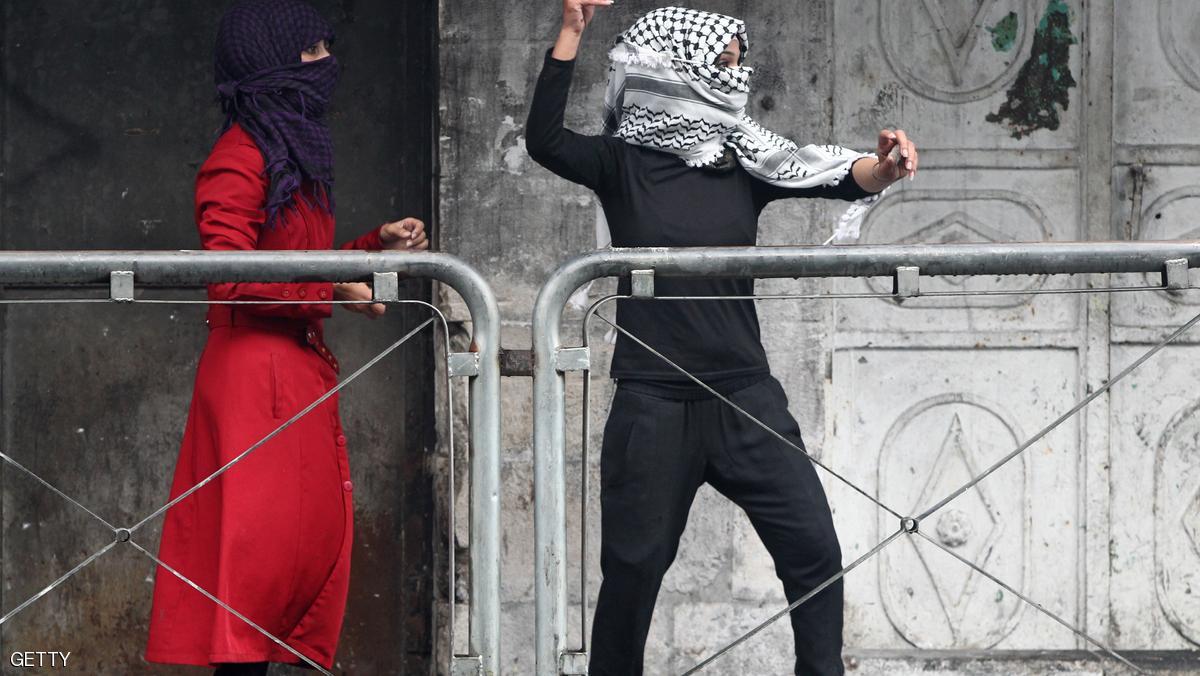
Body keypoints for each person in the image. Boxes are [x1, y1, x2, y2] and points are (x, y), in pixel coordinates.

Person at [526, 3, 918, 674]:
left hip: (744, 396)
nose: (738, 72)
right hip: (651, 404)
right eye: (727, 60)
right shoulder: (623, 163)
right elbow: (545, 142)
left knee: (814, 553)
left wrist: (882, 170)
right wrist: (570, 32)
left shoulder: (742, 159)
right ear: (681, 66)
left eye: (738, 59)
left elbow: (825, 173)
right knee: (632, 571)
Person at [144, 1, 428, 674]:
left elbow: (294, 260)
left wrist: (370, 248)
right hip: (252, 384)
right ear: (269, 63)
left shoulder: (291, 152)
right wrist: (333, 292)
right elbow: (232, 279)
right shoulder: (239, 159)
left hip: (293, 377)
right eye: (310, 53)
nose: (327, 64)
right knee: (254, 571)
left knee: (295, 562)